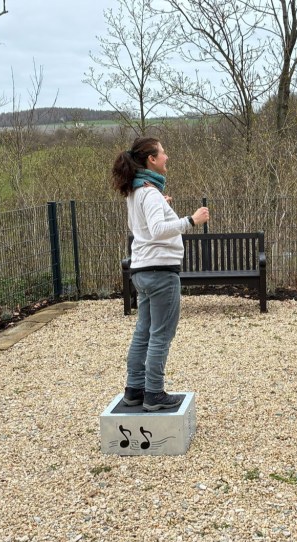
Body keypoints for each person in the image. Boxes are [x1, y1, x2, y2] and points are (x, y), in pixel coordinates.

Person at [112, 137, 209, 411]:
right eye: (163, 152)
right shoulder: (149, 192)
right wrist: (192, 220)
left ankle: (134, 390)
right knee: (160, 335)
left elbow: (143, 225)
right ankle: (154, 393)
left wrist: (163, 205)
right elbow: (156, 230)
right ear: (151, 160)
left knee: (143, 332)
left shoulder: (136, 191)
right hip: (160, 273)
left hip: (141, 270)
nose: (167, 156)